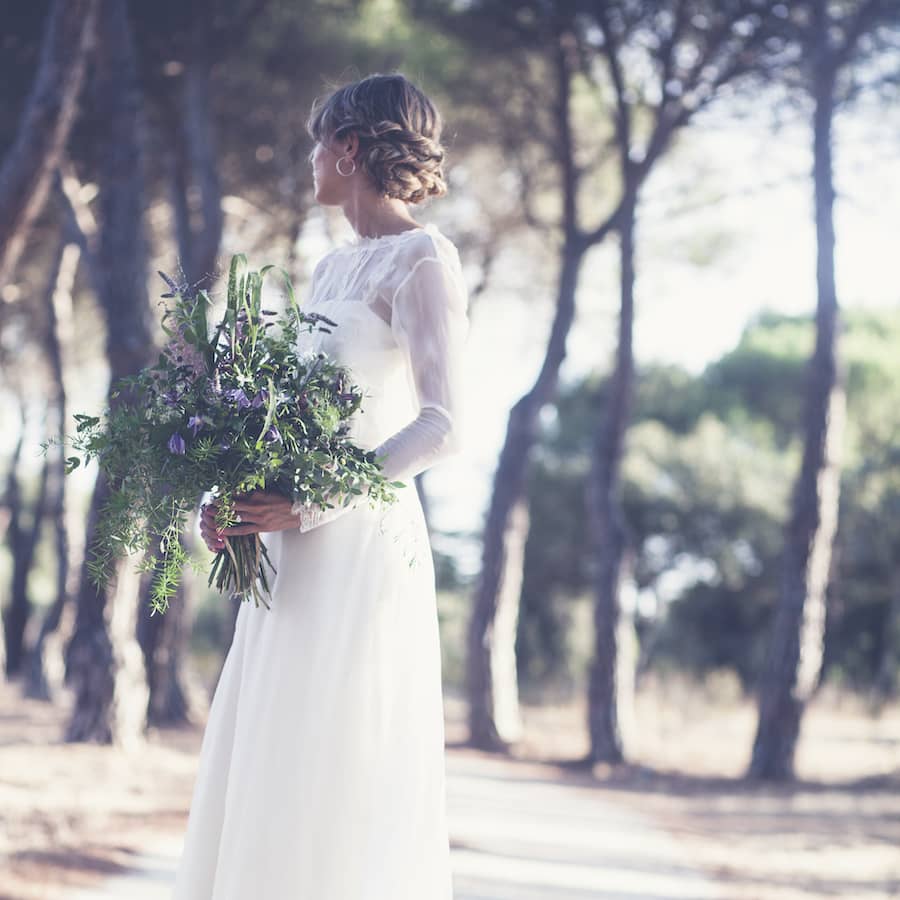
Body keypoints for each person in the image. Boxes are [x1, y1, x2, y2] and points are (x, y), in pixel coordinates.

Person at [172, 73, 468, 899]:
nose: (310, 159)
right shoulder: (333, 269)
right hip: (285, 560)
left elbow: (444, 424)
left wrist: (311, 502)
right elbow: (297, 414)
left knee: (339, 757)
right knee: (273, 752)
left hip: (359, 548)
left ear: (349, 147)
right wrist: (240, 496)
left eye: (318, 142)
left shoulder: (424, 259)